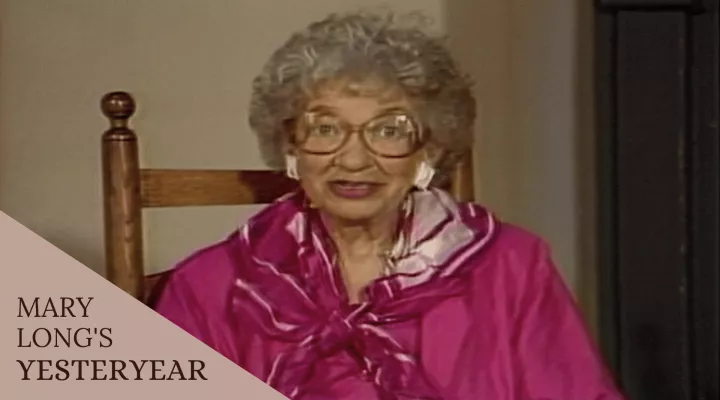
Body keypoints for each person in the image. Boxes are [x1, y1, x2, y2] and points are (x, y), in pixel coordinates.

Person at [154, 10, 625, 399]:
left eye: (388, 130)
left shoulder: (513, 268)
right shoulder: (208, 288)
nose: (354, 158)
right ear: (291, 149)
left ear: (430, 150)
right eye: (325, 128)